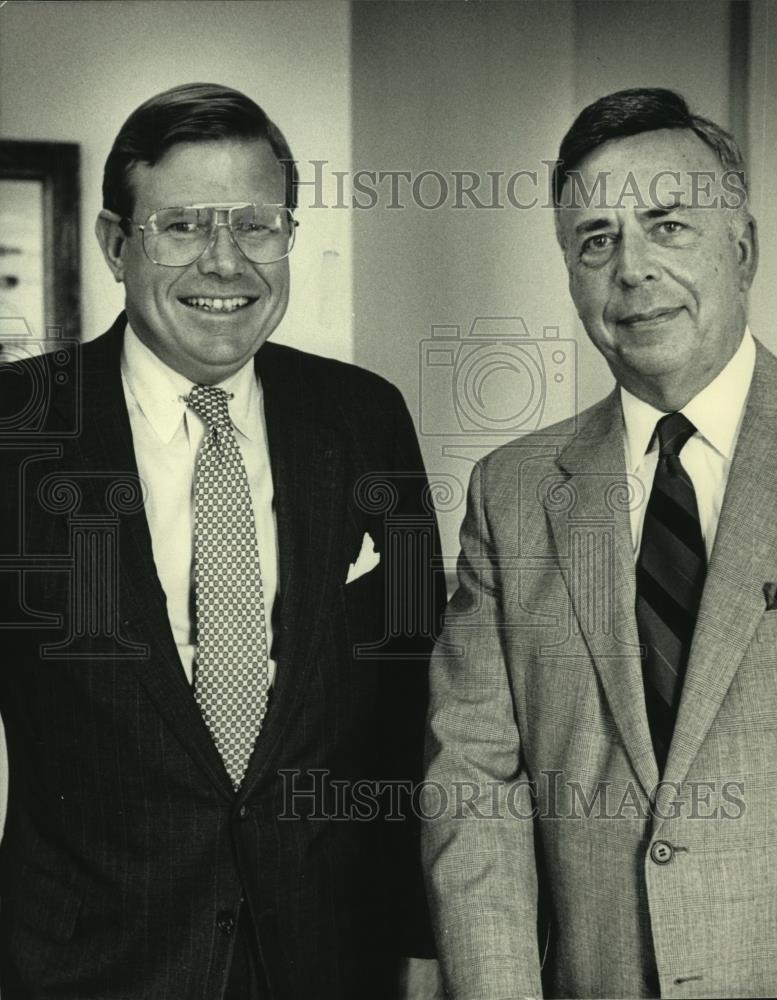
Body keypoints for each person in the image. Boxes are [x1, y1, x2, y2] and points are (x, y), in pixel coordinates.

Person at [0, 82, 445, 999]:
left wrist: (421, 943)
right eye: (182, 227)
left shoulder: (365, 418)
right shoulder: (17, 430)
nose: (225, 262)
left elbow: (414, 695)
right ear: (118, 246)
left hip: (332, 960)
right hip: (86, 967)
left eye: (256, 225)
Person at [423, 88, 777, 999]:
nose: (633, 270)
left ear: (744, 247)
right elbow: (475, 785)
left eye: (667, 225)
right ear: (572, 276)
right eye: (596, 239)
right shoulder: (512, 492)